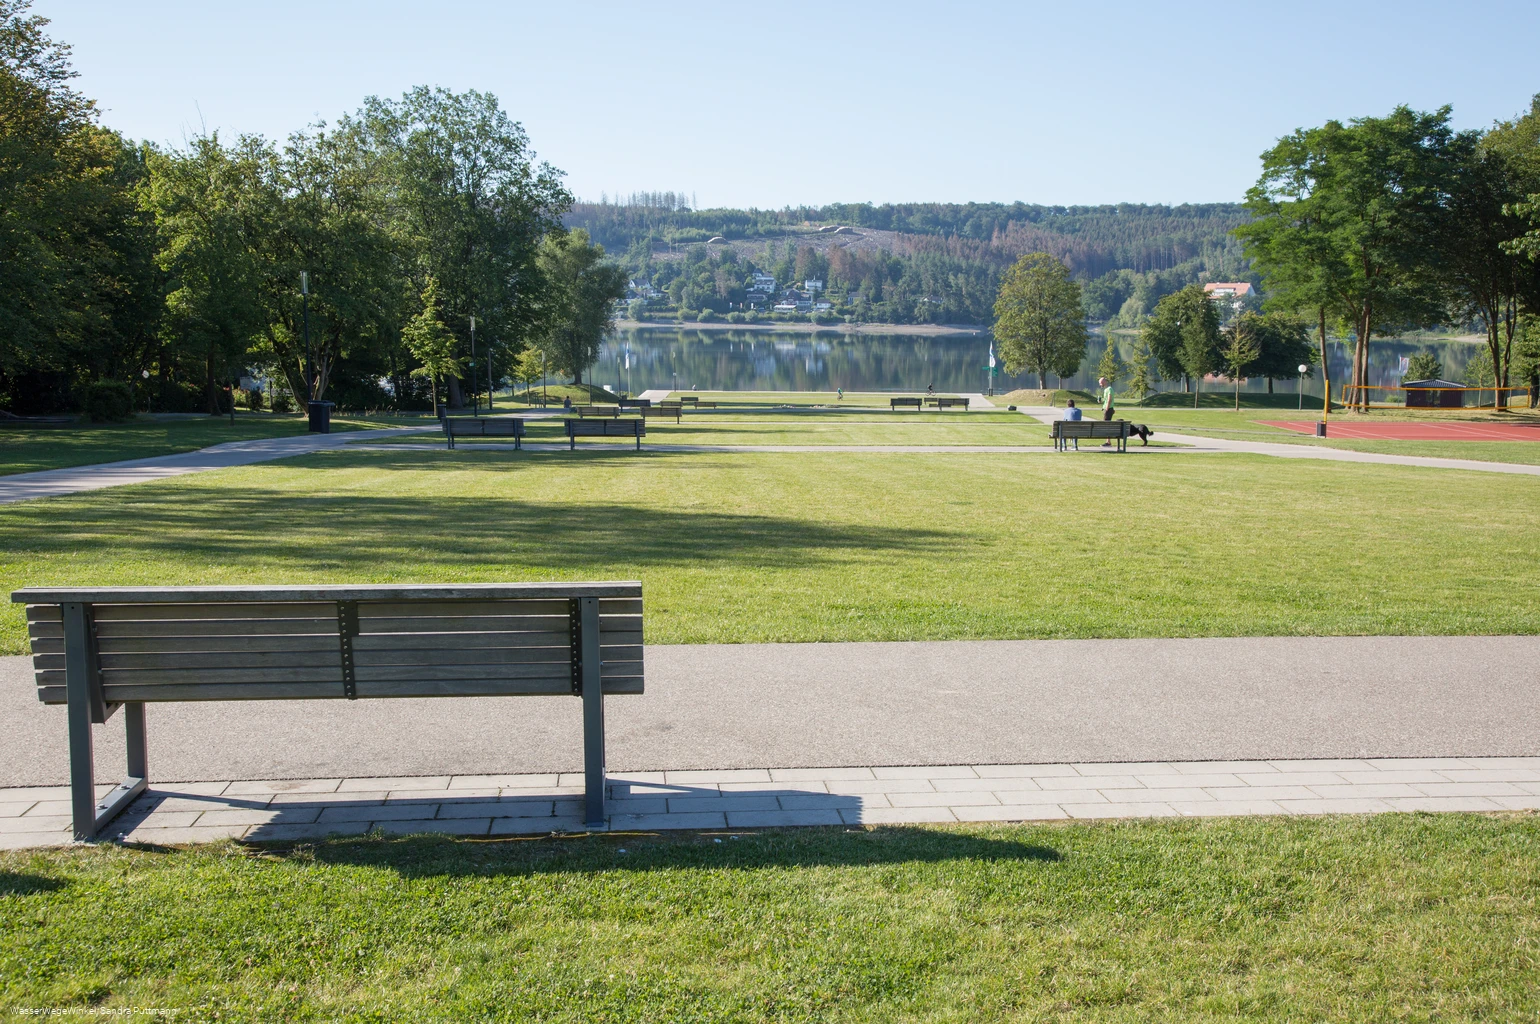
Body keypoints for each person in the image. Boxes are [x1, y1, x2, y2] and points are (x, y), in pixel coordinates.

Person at [1097, 376, 1115, 446]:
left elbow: (1110, 399)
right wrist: (1100, 401)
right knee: (1106, 425)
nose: (1100, 384)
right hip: (1106, 408)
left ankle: (1108, 442)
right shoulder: (1105, 390)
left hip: (1108, 409)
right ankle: (1108, 441)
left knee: (1107, 425)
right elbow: (1106, 400)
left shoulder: (1109, 389)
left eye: (1101, 383)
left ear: (1104, 382)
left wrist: (1107, 409)